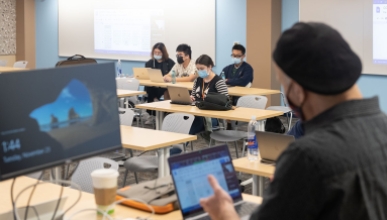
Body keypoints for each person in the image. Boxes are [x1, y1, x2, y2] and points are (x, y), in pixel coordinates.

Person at [199, 22, 387, 220]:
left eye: (284, 85)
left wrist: (224, 213)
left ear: (297, 91)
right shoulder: (382, 126)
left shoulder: (306, 156)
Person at [189, 54, 228, 136]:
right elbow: (194, 96)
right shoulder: (198, 80)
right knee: (183, 118)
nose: (199, 71)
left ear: (210, 67)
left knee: (191, 122)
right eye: (198, 69)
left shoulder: (218, 82)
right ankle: (179, 145)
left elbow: (225, 102)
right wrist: (191, 98)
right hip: (198, 113)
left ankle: (179, 146)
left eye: (202, 68)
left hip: (212, 117)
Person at [144, 43, 175, 124]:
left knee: (165, 90)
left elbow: (173, 75)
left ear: (163, 53)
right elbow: (146, 75)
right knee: (149, 87)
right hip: (153, 85)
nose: (157, 54)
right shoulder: (150, 63)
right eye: (155, 52)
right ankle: (152, 114)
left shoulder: (170, 63)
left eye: (159, 53)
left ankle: (164, 113)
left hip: (165, 86)